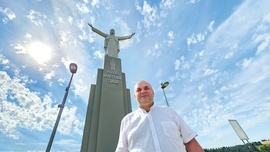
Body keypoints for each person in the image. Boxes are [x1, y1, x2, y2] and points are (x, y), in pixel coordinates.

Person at [115, 80, 204, 152]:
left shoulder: (169, 112)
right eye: (139, 90)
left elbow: (190, 141)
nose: (143, 91)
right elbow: (121, 150)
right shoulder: (126, 121)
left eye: (146, 88)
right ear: (135, 96)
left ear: (153, 92)